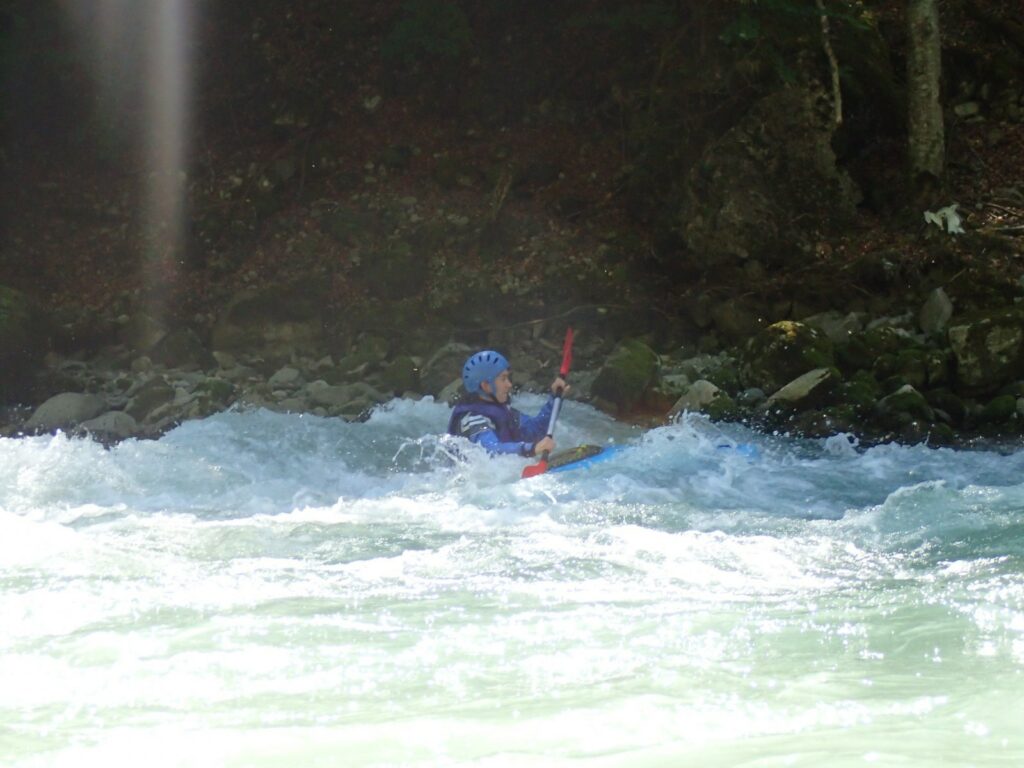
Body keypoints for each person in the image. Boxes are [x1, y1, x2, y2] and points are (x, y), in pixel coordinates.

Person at [447, 350, 568, 457]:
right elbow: (490, 450)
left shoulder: (504, 411)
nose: (509, 384)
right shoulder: (472, 419)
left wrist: (554, 399)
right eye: (503, 379)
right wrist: (530, 449)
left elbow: (535, 431)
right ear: (486, 386)